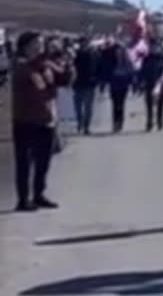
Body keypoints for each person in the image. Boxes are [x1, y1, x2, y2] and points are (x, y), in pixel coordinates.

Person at [10, 31, 70, 211]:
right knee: (25, 163)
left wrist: (66, 65)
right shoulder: (22, 66)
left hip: (46, 119)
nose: (41, 46)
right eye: (38, 43)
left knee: (43, 160)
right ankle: (23, 199)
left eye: (42, 43)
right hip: (26, 120)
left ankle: (39, 194)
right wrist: (44, 67)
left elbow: (64, 80)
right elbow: (39, 86)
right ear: (26, 46)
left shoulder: (44, 64)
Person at [139, 40, 163, 132]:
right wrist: (141, 81)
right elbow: (143, 70)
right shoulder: (147, 58)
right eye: (151, 47)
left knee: (161, 104)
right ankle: (149, 122)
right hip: (149, 83)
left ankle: (160, 120)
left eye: (155, 47)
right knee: (149, 104)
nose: (153, 49)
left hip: (160, 83)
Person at [106, 41, 135, 134]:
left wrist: (131, 82)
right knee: (115, 104)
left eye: (120, 50)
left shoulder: (126, 60)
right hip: (114, 84)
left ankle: (120, 122)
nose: (118, 52)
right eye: (117, 50)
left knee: (121, 104)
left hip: (123, 84)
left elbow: (131, 71)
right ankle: (115, 123)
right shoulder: (111, 60)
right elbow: (107, 71)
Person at [71, 37, 98, 134]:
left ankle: (86, 126)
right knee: (78, 106)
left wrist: (96, 78)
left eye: (86, 43)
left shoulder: (94, 54)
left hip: (89, 83)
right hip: (78, 83)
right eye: (82, 43)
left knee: (88, 107)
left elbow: (97, 67)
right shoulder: (75, 54)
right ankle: (80, 122)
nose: (84, 45)